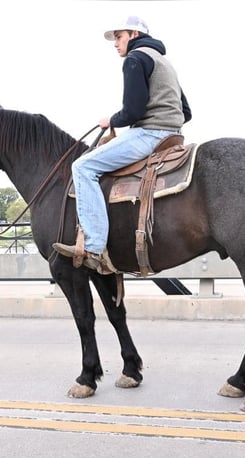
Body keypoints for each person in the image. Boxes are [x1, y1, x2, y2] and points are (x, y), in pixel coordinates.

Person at [52, 15, 192, 274]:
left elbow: (133, 111)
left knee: (83, 166)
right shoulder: (164, 62)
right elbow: (187, 111)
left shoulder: (135, 59)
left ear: (134, 35)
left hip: (149, 134)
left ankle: (93, 247)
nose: (115, 43)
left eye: (119, 36)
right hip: (173, 135)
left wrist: (111, 120)